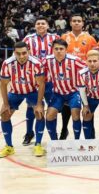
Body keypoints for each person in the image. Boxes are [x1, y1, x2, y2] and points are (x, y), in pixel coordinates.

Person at [0, 41, 45, 158]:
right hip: (15, 92)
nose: (22, 56)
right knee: (4, 114)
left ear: (29, 51)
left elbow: (41, 84)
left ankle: (38, 145)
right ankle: (9, 147)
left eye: (24, 53)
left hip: (32, 91)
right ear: (14, 53)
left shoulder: (36, 63)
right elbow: (3, 84)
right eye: (18, 53)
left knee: (39, 113)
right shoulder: (7, 63)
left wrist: (39, 104)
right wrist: (5, 103)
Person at [22, 17, 60, 145]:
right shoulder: (28, 39)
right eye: (38, 23)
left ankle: (54, 135)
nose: (40, 25)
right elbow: (22, 56)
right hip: (33, 80)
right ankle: (29, 132)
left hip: (50, 79)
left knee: (52, 108)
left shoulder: (55, 38)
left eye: (43, 23)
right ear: (35, 26)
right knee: (32, 107)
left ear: (48, 25)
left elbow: (61, 55)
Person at [61, 14, 98, 139]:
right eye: (74, 21)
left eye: (79, 21)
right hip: (68, 79)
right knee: (67, 108)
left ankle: (90, 134)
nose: (76, 23)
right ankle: (64, 129)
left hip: (87, 79)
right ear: (70, 23)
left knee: (88, 107)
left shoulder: (90, 39)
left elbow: (95, 57)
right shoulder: (64, 37)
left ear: (83, 23)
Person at [43, 39, 85, 140]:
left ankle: (77, 140)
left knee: (75, 114)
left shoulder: (74, 60)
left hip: (73, 93)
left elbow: (89, 68)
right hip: (58, 93)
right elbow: (36, 68)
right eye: (56, 49)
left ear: (66, 50)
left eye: (61, 49)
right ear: (52, 49)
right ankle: (54, 141)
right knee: (49, 116)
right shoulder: (47, 60)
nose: (58, 51)